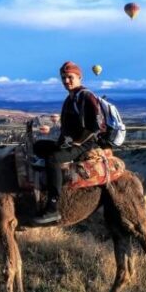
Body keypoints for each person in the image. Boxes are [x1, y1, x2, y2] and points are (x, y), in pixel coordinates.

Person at [33, 61, 105, 225]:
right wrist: (61, 144)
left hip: (85, 144)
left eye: (70, 77)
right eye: (63, 78)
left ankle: (52, 207)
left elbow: (97, 126)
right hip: (70, 143)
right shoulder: (69, 99)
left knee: (53, 158)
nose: (66, 81)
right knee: (38, 146)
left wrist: (78, 142)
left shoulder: (87, 96)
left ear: (79, 77)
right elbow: (66, 128)